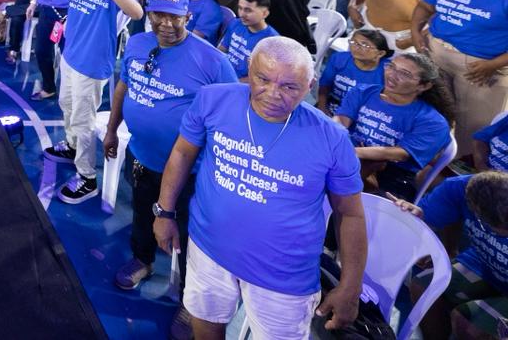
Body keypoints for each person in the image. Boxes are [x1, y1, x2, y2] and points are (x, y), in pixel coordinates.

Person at [153, 37, 367, 338]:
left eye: (289, 87)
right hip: (207, 249)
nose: (273, 94)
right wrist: (164, 212)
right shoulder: (213, 99)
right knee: (204, 324)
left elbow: (351, 214)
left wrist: (351, 287)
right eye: (263, 79)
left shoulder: (332, 138)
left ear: (310, 85)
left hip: (282, 275)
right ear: (249, 68)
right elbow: (182, 153)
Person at [103, 0, 237, 334]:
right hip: (143, 157)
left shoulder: (213, 62)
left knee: (192, 237)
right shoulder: (137, 44)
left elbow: (231, 116)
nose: (166, 24)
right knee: (142, 213)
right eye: (158, 15)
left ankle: (191, 301)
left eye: (174, 17)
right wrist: (112, 129)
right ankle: (143, 260)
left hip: (192, 171)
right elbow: (123, 88)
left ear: (187, 18)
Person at [41, 0, 144, 204]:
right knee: (66, 105)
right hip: (71, 53)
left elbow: (136, 12)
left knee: (83, 120)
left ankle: (87, 178)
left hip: (93, 62)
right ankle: (71, 146)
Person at [410, 0, 508, 156]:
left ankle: (462, 166)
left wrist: (493, 65)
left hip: (480, 66)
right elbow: (425, 7)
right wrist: (415, 32)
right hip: (436, 53)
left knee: (474, 124)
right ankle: (429, 157)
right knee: (433, 110)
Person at [391, 171, 508, 339]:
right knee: (424, 287)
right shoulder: (460, 188)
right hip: (485, 263)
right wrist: (414, 220)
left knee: (467, 323)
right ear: (475, 209)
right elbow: (420, 220)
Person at [333, 51, 454, 200]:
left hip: (392, 173)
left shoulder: (433, 121)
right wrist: (334, 140)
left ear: (424, 86)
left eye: (404, 74)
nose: (392, 75)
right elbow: (341, 120)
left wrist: (353, 152)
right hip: (349, 154)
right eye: (391, 66)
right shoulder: (362, 91)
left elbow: (400, 153)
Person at [318, 28, 391, 116]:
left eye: (365, 45)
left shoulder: (387, 71)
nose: (356, 47)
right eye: (354, 42)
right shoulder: (339, 59)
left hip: (365, 114)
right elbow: (324, 86)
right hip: (333, 106)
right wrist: (322, 108)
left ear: (380, 53)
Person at [216, 0, 278, 79]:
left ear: (265, 13)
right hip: (221, 74)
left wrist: (233, 83)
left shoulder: (271, 41)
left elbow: (262, 78)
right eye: (240, 8)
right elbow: (221, 50)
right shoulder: (235, 23)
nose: (242, 14)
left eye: (248, 10)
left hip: (239, 83)